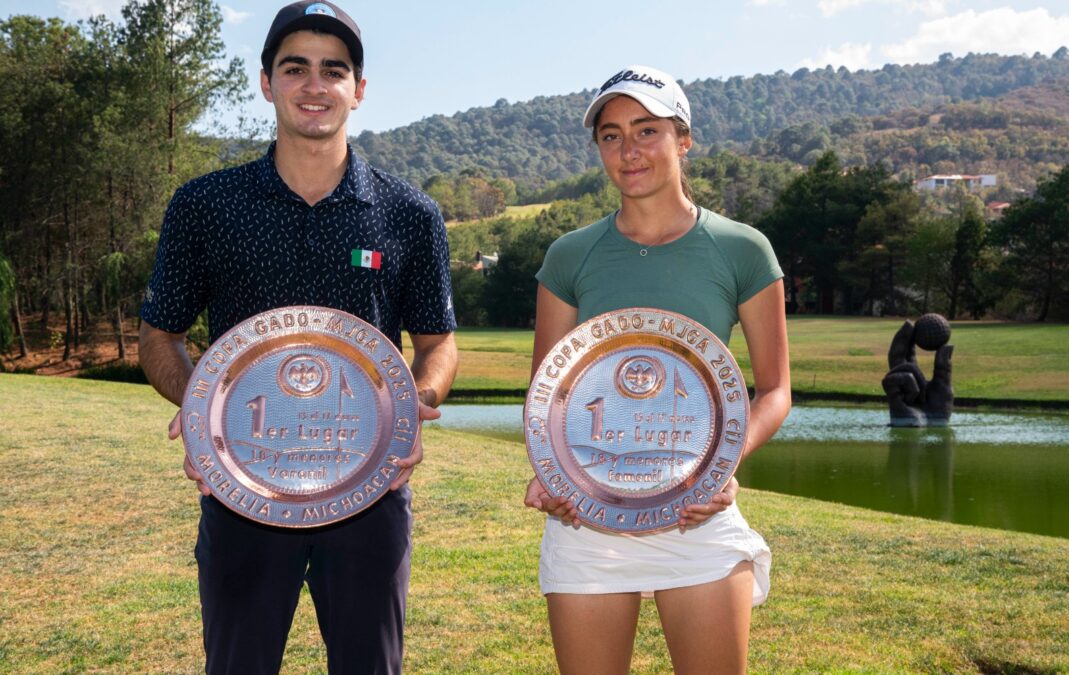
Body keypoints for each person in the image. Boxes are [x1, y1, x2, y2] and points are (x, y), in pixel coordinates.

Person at [137, 3, 458, 673]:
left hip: (370, 486)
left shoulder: (409, 212)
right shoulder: (205, 204)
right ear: (266, 82)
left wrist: (416, 400)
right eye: (296, 68)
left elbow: (437, 342)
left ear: (358, 89)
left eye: (333, 70)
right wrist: (201, 410)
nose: (315, 85)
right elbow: (159, 334)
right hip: (244, 487)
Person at [523, 65, 791, 674]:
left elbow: (774, 390)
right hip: (589, 521)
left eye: (646, 131)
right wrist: (550, 474)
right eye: (611, 136)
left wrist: (723, 465)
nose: (628, 150)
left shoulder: (742, 249)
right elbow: (548, 398)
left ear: (683, 138)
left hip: (699, 517)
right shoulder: (569, 255)